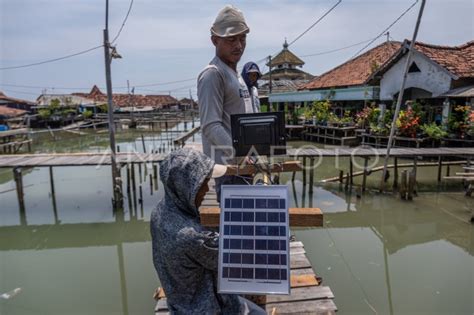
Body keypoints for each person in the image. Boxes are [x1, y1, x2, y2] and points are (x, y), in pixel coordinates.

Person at [150, 148, 266, 315]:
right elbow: (235, 260)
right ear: (185, 187)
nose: (207, 188)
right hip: (209, 309)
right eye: (201, 183)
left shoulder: (159, 212)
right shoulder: (191, 237)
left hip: (180, 303)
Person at [197, 5, 255, 202]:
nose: (238, 45)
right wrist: (238, 156)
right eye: (231, 39)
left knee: (245, 224)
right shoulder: (213, 74)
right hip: (230, 169)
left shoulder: (235, 75)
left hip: (242, 165)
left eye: (242, 38)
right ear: (215, 40)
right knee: (236, 226)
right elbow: (211, 126)